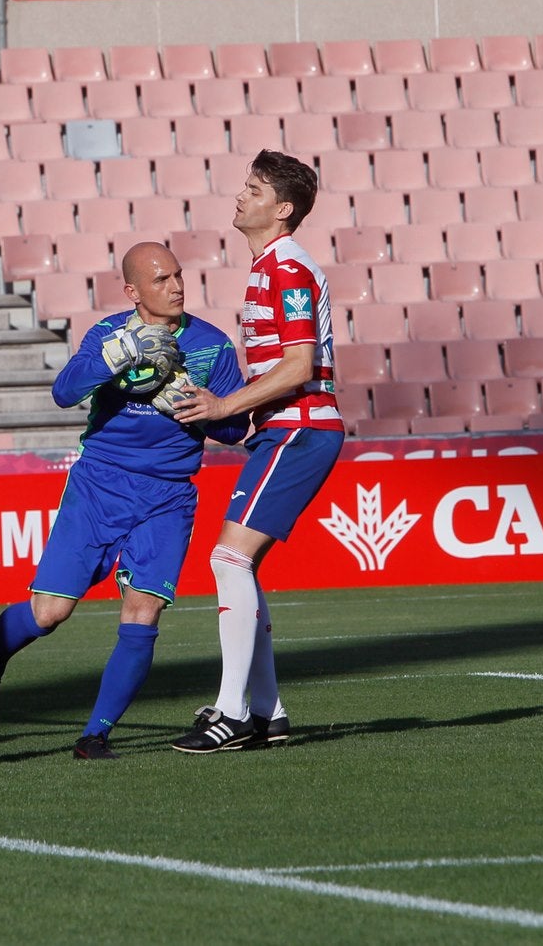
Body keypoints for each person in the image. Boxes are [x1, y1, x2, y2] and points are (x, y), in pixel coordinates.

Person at [0, 242, 248, 759]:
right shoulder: (107, 334)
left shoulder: (212, 345)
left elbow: (233, 429)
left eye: (178, 276)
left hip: (169, 496)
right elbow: (65, 392)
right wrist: (116, 358)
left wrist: (202, 406)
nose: (177, 286)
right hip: (100, 484)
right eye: (161, 280)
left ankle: (95, 734)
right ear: (133, 291)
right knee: (49, 613)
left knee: (142, 616)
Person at [164, 150, 344, 753]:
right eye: (246, 184)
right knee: (239, 563)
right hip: (285, 428)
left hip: (300, 427)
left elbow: (297, 367)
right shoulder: (270, 266)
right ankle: (266, 711)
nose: (241, 194)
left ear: (283, 209)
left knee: (228, 559)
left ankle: (232, 711)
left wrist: (223, 406)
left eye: (256, 188)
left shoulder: (287, 267)